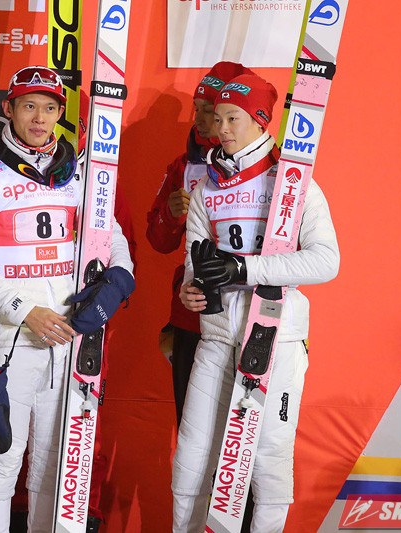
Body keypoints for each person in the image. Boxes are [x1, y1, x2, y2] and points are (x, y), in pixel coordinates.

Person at [0, 65, 135, 533]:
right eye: (29, 106)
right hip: (12, 336)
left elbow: (112, 238)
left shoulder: (79, 177)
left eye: (50, 108)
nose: (39, 118)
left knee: (57, 453)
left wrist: (119, 280)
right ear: (9, 109)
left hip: (69, 334)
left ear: (60, 114)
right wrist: (25, 311)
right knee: (3, 447)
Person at [171, 71, 340, 532]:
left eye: (234, 118)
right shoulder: (206, 189)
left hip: (277, 339)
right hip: (217, 339)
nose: (221, 128)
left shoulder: (294, 185)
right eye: (218, 118)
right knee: (192, 455)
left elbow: (326, 261)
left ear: (261, 121)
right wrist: (192, 291)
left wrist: (243, 269)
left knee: (269, 456)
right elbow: (194, 265)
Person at [146, 61, 252, 426]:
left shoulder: (270, 167)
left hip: (252, 310)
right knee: (193, 422)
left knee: (247, 425)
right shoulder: (183, 166)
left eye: (212, 111)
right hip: (194, 313)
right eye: (198, 110)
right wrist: (172, 213)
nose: (202, 121)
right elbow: (158, 241)